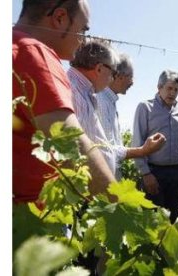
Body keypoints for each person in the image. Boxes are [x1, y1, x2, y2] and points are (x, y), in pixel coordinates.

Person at [13, 0, 117, 204]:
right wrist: (125, 210)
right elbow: (71, 145)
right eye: (83, 29)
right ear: (60, 18)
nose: (83, 40)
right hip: (34, 221)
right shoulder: (33, 52)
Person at [68, 40, 166, 178]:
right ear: (99, 69)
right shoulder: (90, 97)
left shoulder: (90, 94)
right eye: (113, 72)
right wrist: (142, 151)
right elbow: (97, 150)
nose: (112, 78)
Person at [132, 70, 178, 223]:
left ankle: (169, 247)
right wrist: (146, 173)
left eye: (176, 89)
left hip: (176, 172)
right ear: (159, 87)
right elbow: (137, 142)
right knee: (154, 219)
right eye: (169, 88)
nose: (173, 93)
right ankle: (154, 247)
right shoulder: (145, 108)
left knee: (173, 217)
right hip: (154, 172)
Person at [96, 53, 135, 180]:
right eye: (131, 76)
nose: (132, 82)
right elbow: (107, 150)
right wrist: (143, 151)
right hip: (104, 175)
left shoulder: (110, 101)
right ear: (118, 76)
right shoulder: (101, 101)